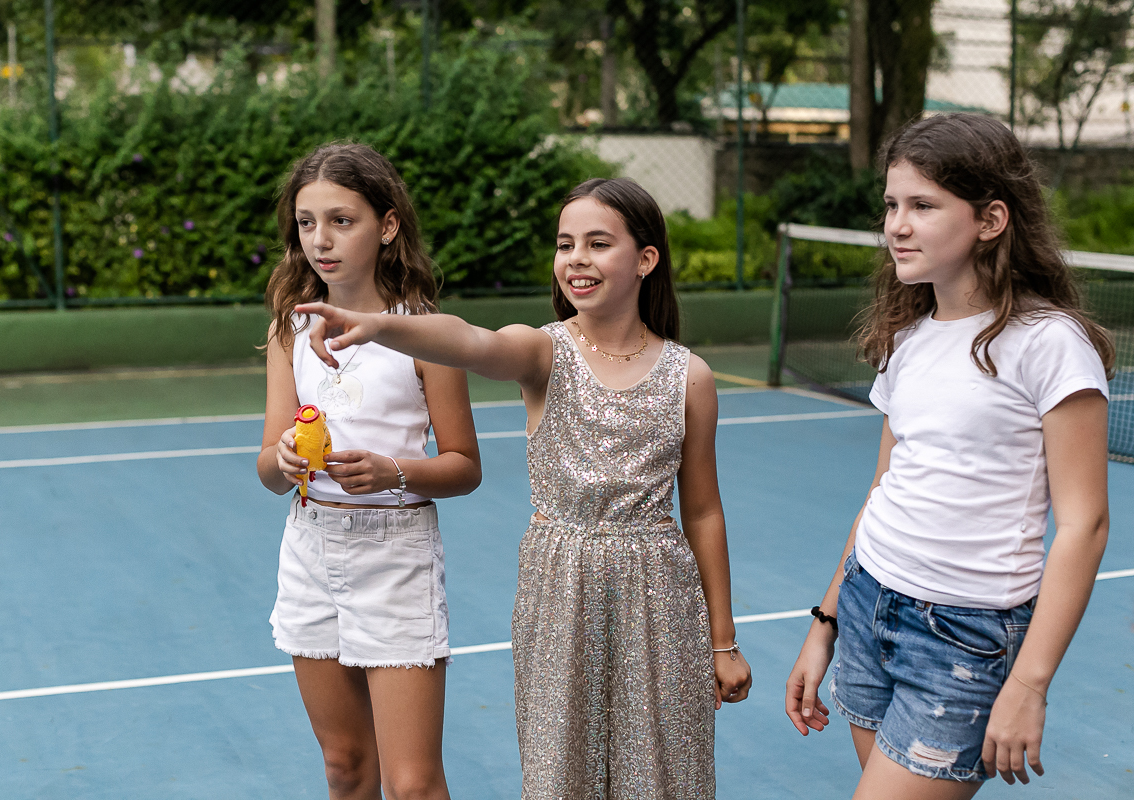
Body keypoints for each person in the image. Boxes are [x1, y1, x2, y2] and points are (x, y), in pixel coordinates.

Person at [296, 177, 752, 799]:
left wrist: (721, 639)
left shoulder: (689, 375)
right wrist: (378, 326)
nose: (577, 260)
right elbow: (471, 342)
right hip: (559, 591)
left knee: (665, 775)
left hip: (660, 599)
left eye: (598, 243)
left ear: (646, 260)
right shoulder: (545, 353)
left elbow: (702, 511)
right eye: (565, 245)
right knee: (560, 775)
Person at [785, 113, 1114, 798]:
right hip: (871, 603)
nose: (896, 225)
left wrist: (1027, 682)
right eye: (891, 205)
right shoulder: (907, 338)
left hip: (963, 637)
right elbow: (883, 492)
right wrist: (826, 622)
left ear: (991, 219)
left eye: (923, 206)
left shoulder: (1049, 343)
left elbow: (1085, 525)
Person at [255, 142, 482, 800]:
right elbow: (268, 468)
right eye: (306, 223)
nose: (320, 240)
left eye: (341, 220)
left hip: (396, 558)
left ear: (387, 227)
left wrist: (394, 471)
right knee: (345, 766)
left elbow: (464, 467)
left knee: (411, 784)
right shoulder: (288, 332)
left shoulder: (427, 333)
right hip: (309, 549)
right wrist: (285, 461)